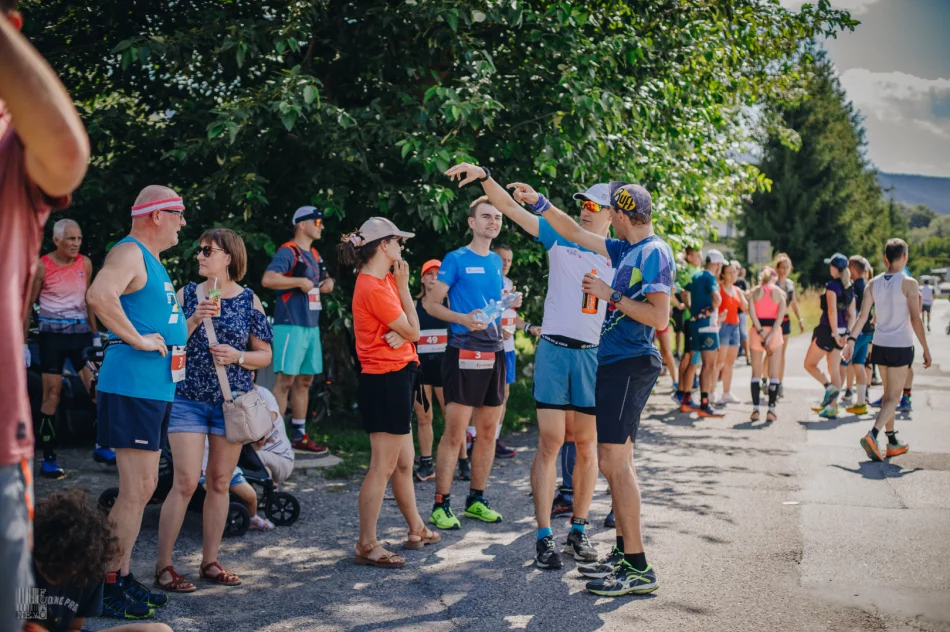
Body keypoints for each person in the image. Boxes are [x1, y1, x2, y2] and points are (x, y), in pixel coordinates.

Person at [495, 175, 672, 597]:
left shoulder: (653, 252)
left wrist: (611, 294)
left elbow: (660, 318)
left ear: (622, 215)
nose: (595, 213)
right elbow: (571, 231)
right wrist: (540, 201)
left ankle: (637, 564)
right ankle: (626, 556)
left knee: (614, 464)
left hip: (629, 362)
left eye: (607, 208)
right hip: (612, 362)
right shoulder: (626, 248)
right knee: (615, 463)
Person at [447, 165, 614, 569]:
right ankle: (543, 537)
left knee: (587, 445)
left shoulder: (621, 252)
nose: (587, 210)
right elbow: (506, 205)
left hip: (592, 354)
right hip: (555, 350)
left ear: (613, 215)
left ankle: (578, 529)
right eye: (584, 204)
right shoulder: (560, 235)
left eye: (596, 205)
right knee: (551, 441)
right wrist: (486, 176)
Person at [1, 4, 90, 629]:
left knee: (63, 389)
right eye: (69, 238)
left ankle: (61, 451)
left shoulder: (10, 142)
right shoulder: (53, 260)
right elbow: (30, 290)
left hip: (3, 441)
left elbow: (63, 150)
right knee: (54, 390)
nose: (74, 245)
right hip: (46, 333)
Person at [85, 186, 189, 618]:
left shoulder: (152, 260)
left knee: (142, 489)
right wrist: (135, 338)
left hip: (152, 389)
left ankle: (122, 576)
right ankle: (106, 586)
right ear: (156, 216)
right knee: (137, 490)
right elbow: (98, 295)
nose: (184, 222)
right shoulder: (128, 252)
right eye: (178, 213)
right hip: (133, 387)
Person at [155, 228, 273, 592]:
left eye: (209, 250)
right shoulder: (185, 294)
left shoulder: (249, 300)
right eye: (200, 249)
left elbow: (265, 354)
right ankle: (164, 567)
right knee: (187, 481)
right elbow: (167, 343)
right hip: (188, 399)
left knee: (220, 482)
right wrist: (192, 321)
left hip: (230, 403)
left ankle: (210, 561)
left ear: (229, 257)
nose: (201, 255)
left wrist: (237, 355)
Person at [338, 216, 441, 568]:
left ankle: (416, 528)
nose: (402, 248)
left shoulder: (379, 283)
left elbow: (406, 331)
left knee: (403, 463)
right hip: (386, 381)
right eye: (399, 242)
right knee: (382, 466)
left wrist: (405, 329)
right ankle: (366, 543)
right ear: (384, 245)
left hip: (396, 377)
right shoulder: (374, 285)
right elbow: (415, 330)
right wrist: (404, 289)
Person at [423, 194, 515, 531]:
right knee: (455, 431)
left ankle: (476, 500)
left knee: (488, 432)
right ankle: (440, 504)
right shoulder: (456, 258)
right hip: (462, 350)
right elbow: (433, 305)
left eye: (498, 218)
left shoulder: (495, 262)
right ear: (472, 223)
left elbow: (487, 308)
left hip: (495, 350)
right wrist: (462, 318)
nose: (494, 222)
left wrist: (506, 304)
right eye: (487, 217)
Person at [25, 218, 110, 479]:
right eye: (71, 239)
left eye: (79, 238)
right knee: (52, 396)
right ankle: (48, 458)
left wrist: (96, 336)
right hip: (52, 338)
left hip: (81, 336)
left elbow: (89, 302)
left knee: (99, 390)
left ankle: (102, 445)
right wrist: (21, 344)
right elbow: (28, 304)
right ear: (57, 240)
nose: (76, 243)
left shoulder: (85, 263)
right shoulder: (42, 265)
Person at [27, 489, 173, 632]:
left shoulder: (85, 569)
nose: (62, 577)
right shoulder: (24, 569)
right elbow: (31, 627)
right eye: (56, 569)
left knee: (160, 630)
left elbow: (74, 627)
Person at [845, 239, 931, 461]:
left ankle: (892, 441)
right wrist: (925, 348)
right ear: (904, 257)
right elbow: (915, 318)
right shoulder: (909, 283)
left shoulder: (872, 283)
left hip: (880, 345)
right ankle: (873, 435)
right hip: (901, 346)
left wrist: (851, 340)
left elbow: (863, 316)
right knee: (894, 395)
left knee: (887, 395)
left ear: (885, 258)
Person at [261, 206, 335, 455]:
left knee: (305, 381)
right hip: (290, 325)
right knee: (285, 381)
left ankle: (299, 436)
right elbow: (268, 279)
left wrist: (328, 283)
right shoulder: (288, 251)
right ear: (301, 224)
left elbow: (327, 278)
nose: (321, 225)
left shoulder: (314, 253)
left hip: (310, 326)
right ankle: (272, 437)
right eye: (317, 221)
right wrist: (297, 282)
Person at [412, 259, 470, 482]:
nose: (433, 277)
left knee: (453, 418)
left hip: (446, 371)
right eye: (428, 273)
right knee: (423, 416)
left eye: (437, 273)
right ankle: (426, 463)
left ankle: (463, 461)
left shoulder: (451, 303)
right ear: (422, 278)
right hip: (421, 371)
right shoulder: (415, 305)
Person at [803, 253, 856, 419]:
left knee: (809, 364)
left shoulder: (832, 286)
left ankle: (828, 387)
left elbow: (832, 310)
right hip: (842, 333)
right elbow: (852, 314)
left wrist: (834, 333)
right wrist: (847, 332)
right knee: (834, 369)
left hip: (828, 330)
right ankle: (833, 407)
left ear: (835, 268)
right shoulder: (849, 287)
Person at [680, 249, 725, 417]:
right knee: (709, 365)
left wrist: (693, 310)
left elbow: (684, 293)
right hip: (708, 327)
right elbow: (717, 299)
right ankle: (704, 404)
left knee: (694, 362)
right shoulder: (710, 278)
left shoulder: (696, 275)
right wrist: (709, 311)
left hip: (694, 326)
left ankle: (686, 400)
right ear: (717, 264)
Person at [747, 267, 787, 422]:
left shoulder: (755, 293)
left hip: (757, 333)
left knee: (756, 372)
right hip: (774, 334)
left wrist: (761, 332)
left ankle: (755, 409)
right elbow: (780, 318)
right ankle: (771, 409)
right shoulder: (779, 294)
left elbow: (752, 314)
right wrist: (770, 335)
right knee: (774, 373)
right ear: (774, 278)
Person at [491, 243, 519, 459]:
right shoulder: (488, 279)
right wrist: (498, 328)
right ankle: (475, 439)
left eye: (509, 260)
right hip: (491, 346)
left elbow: (512, 317)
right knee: (486, 397)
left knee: (505, 396)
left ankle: (494, 440)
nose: (506, 264)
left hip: (508, 347)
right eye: (503, 260)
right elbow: (482, 312)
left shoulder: (510, 284)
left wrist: (528, 327)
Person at [842, 256, 874, 415]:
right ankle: (861, 401)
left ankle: (832, 403)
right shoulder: (870, 285)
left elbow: (853, 312)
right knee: (859, 365)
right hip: (869, 331)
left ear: (853, 268)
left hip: (858, 332)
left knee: (842, 364)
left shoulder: (855, 287)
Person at [713, 261, 748, 404]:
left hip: (735, 327)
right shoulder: (718, 288)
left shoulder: (737, 290)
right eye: (730, 272)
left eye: (735, 272)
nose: (733, 275)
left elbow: (745, 308)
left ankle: (726, 393)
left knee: (729, 362)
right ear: (723, 274)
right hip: (723, 327)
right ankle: (711, 392)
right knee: (719, 362)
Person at [673, 246, 703, 403]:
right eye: (697, 255)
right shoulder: (689, 273)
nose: (700, 258)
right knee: (690, 357)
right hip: (692, 320)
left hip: (693, 320)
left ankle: (683, 391)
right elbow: (683, 293)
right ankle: (682, 393)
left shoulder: (696, 271)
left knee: (689, 356)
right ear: (689, 257)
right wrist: (693, 309)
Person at [773, 254, 804, 398]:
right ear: (777, 268)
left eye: (787, 267)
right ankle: (766, 379)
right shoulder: (773, 284)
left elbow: (794, 303)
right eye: (782, 267)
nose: (785, 270)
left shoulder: (790, 284)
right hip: (773, 320)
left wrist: (800, 319)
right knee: (771, 352)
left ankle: (780, 383)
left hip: (785, 319)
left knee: (782, 353)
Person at [254, 383, 295, 485]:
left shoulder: (263, 394)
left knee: (254, 457)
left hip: (282, 459)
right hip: (265, 458)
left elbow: (272, 415)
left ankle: (272, 491)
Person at [734, 263, 751, 364]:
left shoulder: (741, 282)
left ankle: (747, 356)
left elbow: (746, 294)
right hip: (730, 312)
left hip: (740, 312)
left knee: (743, 333)